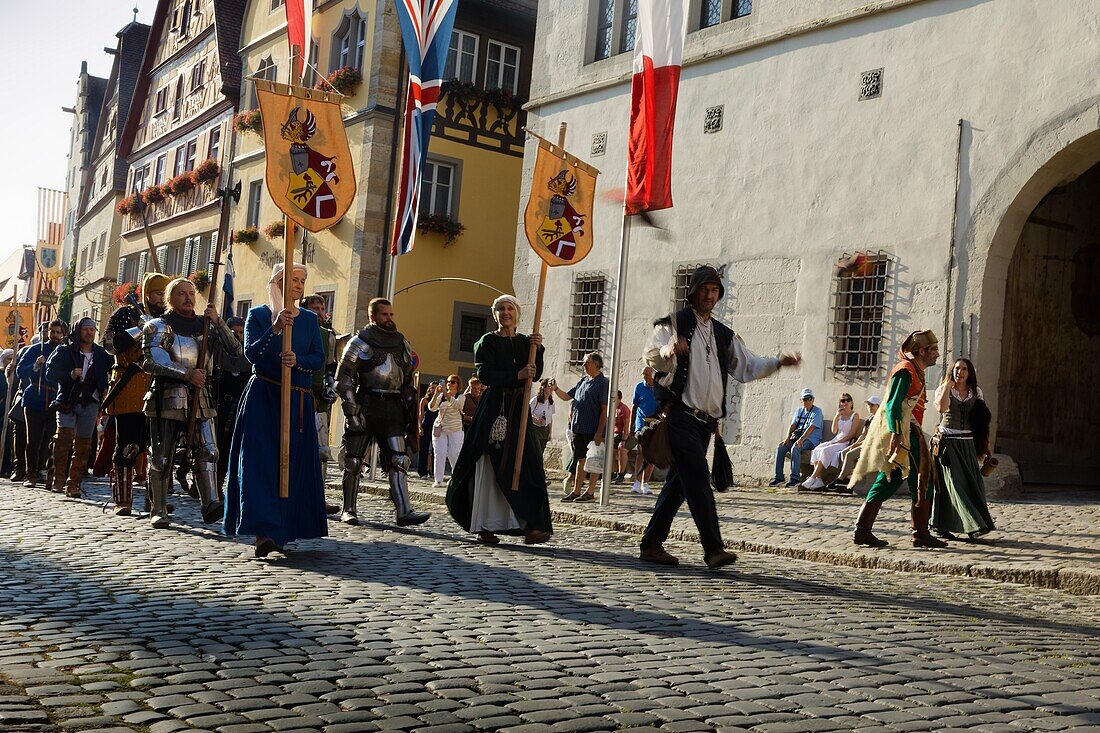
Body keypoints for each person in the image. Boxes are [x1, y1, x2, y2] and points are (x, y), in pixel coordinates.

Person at [641, 266, 801, 569]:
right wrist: (670, 349)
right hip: (679, 417)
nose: (709, 296)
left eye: (714, 291)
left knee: (679, 485)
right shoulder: (672, 324)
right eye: (704, 290)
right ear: (694, 292)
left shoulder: (723, 335)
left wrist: (779, 363)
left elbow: (748, 366)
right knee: (699, 479)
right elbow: (651, 354)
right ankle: (713, 548)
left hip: (705, 424)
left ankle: (651, 543)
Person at [223, 263, 328, 557]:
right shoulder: (258, 315)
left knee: (293, 464)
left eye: (302, 280)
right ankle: (263, 532)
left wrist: (299, 360)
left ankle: (284, 529)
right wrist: (276, 328)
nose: (299, 285)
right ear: (278, 282)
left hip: (297, 400)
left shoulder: (308, 319)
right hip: (265, 396)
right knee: (261, 463)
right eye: (293, 279)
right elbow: (252, 353)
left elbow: (318, 358)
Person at [445, 295, 552, 546]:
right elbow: (485, 373)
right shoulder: (487, 342)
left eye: (510, 309)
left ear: (517, 314)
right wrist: (517, 373)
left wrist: (538, 349)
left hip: (519, 410)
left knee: (528, 463)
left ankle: (531, 525)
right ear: (495, 315)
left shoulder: (527, 342)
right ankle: (484, 524)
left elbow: (534, 375)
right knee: (489, 462)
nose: (506, 313)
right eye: (501, 309)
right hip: (495, 408)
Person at [142, 278, 242, 528]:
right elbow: (152, 360)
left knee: (209, 451)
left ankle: (210, 504)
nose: (188, 297)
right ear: (170, 299)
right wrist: (186, 374)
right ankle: (159, 508)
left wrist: (219, 322)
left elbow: (236, 351)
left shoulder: (206, 326)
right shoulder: (158, 326)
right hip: (168, 395)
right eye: (181, 293)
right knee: (163, 456)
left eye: (191, 293)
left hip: (202, 395)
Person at [335, 297, 430, 527]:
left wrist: (408, 403)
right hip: (367, 404)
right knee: (354, 461)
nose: (390, 319)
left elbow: (407, 378)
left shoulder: (401, 342)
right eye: (385, 315)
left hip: (393, 408)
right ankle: (349, 509)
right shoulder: (359, 342)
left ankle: (404, 511)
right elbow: (343, 379)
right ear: (372, 317)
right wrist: (352, 411)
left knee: (399, 460)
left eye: (391, 314)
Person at [850, 329, 946, 549]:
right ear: (921, 351)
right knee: (911, 479)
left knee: (906, 480)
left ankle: (870, 530)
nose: (937, 354)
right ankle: (915, 533)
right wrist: (895, 434)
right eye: (934, 350)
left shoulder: (915, 371)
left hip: (909, 432)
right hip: (903, 434)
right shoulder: (905, 371)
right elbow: (893, 405)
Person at [45, 318, 111, 498]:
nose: (89, 332)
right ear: (78, 331)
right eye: (85, 329)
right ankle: (58, 480)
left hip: (90, 402)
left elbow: (111, 370)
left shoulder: (100, 352)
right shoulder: (65, 351)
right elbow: (50, 373)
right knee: (62, 440)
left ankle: (73, 483)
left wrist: (105, 389)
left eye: (92, 329)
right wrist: (70, 374)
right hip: (67, 401)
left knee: (83, 445)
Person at [931, 358, 996, 540]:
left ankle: (952, 524)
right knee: (953, 485)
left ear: (970, 373)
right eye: (957, 368)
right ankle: (973, 526)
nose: (960, 372)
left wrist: (986, 445)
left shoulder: (976, 392)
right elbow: (941, 407)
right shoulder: (943, 389)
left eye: (964, 369)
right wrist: (946, 387)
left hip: (967, 443)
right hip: (948, 444)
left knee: (973, 484)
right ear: (952, 371)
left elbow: (982, 422)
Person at [101, 317, 154, 516]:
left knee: (155, 450)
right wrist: (141, 328)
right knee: (127, 447)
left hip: (154, 388)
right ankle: (123, 500)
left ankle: (155, 501)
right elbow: (111, 345)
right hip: (128, 391)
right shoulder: (124, 315)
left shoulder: (163, 318)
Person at [16, 321, 67, 487]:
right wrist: (35, 365)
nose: (55, 335)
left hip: (56, 400)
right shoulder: (35, 349)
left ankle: (43, 472)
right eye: (52, 331)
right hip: (34, 399)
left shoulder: (66, 352)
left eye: (59, 332)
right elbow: (20, 370)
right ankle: (30, 474)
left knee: (51, 440)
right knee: (34, 439)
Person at [553, 352, 609, 502]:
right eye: (584, 362)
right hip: (578, 428)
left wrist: (599, 432)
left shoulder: (603, 383)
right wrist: (556, 388)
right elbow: (567, 397)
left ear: (596, 364)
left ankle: (590, 492)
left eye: (587, 362)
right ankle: (576, 491)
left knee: (594, 462)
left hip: (592, 429)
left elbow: (604, 409)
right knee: (580, 460)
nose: (584, 365)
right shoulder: (583, 381)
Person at [300, 295, 338, 472]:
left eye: (322, 309)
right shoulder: (297, 330)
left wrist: (331, 386)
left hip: (319, 397)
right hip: (298, 391)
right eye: (315, 308)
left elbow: (330, 366)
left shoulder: (328, 335)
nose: (320, 313)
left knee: (322, 450)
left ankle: (317, 495)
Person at [800, 393, 863, 490]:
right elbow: (834, 431)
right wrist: (837, 416)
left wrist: (839, 441)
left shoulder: (855, 415)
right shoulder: (840, 415)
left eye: (847, 400)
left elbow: (852, 434)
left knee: (825, 451)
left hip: (845, 442)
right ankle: (819, 479)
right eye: (842, 400)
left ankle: (812, 477)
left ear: (851, 402)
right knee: (817, 449)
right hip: (836, 440)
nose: (845, 402)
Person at [215, 317, 249, 487]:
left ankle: (229, 485)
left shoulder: (249, 353)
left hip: (240, 406)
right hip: (219, 405)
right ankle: (214, 486)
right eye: (234, 331)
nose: (238, 335)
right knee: (217, 445)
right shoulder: (218, 351)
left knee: (232, 448)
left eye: (241, 332)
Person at [771, 388, 823, 487]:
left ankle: (795, 479)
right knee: (780, 447)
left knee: (795, 447)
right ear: (801, 400)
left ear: (813, 399)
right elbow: (793, 425)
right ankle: (779, 478)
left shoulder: (817, 411)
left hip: (811, 440)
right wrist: (787, 438)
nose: (807, 401)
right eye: (805, 399)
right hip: (798, 438)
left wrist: (801, 439)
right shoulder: (799, 411)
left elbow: (811, 428)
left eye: (809, 399)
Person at [831, 396, 881, 491]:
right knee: (843, 452)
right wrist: (856, 443)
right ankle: (848, 477)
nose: (869, 407)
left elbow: (874, 438)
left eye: (872, 405)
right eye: (868, 405)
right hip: (864, 443)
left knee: (850, 455)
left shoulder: (880, 419)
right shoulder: (869, 419)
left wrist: (858, 444)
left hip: (873, 445)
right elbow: (863, 433)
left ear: (878, 406)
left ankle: (840, 478)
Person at [428, 374, 466, 487]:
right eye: (448, 381)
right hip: (440, 428)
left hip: (455, 429)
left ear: (457, 385)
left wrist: (445, 392)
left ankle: (456, 477)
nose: (449, 383)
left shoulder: (461, 396)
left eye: (453, 382)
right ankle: (438, 480)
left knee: (454, 453)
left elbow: (457, 405)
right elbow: (432, 408)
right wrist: (436, 394)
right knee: (439, 452)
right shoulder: (441, 396)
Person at [628, 365, 658, 494]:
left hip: (656, 424)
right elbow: (634, 406)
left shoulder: (659, 387)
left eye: (647, 374)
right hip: (641, 423)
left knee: (652, 455)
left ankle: (645, 483)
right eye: (643, 374)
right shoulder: (639, 387)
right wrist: (631, 425)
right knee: (641, 452)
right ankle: (637, 481)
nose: (645, 377)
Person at [417, 382, 440, 478]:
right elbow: (420, 415)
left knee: (436, 449)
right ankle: (422, 472)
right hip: (426, 425)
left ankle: (433, 471)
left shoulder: (440, 400)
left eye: (436, 388)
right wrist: (419, 427)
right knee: (424, 449)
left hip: (436, 426)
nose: (433, 390)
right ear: (429, 389)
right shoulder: (425, 400)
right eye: (432, 388)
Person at [529, 377, 556, 459]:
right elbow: (528, 415)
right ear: (544, 387)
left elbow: (550, 418)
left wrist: (550, 432)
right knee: (535, 452)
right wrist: (535, 420)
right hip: (535, 429)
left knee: (541, 453)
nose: (551, 388)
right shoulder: (535, 400)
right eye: (549, 386)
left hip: (545, 430)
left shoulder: (551, 402)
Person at [611, 390, 631, 483]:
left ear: (619, 399)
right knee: (611, 451)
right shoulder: (612, 408)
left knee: (621, 449)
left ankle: (621, 474)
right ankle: (614, 472)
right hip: (615, 434)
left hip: (625, 434)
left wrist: (624, 440)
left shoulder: (623, 409)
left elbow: (626, 426)